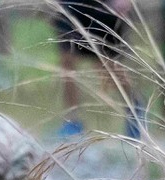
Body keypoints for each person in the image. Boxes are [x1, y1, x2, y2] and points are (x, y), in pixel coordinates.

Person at [53, 0, 146, 139]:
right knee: (67, 61)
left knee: (106, 65)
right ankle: (72, 121)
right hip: (69, 5)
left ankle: (135, 108)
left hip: (104, 6)